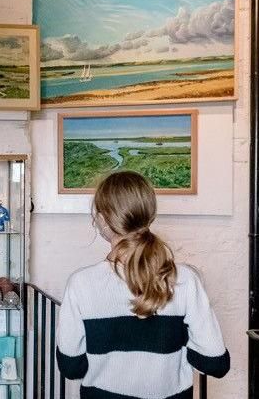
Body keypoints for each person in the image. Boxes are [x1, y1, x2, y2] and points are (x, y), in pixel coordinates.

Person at [57, 171, 229, 398]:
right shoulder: (185, 280)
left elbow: (71, 368)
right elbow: (215, 363)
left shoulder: (80, 284)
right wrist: (179, 337)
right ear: (149, 215)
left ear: (101, 219)